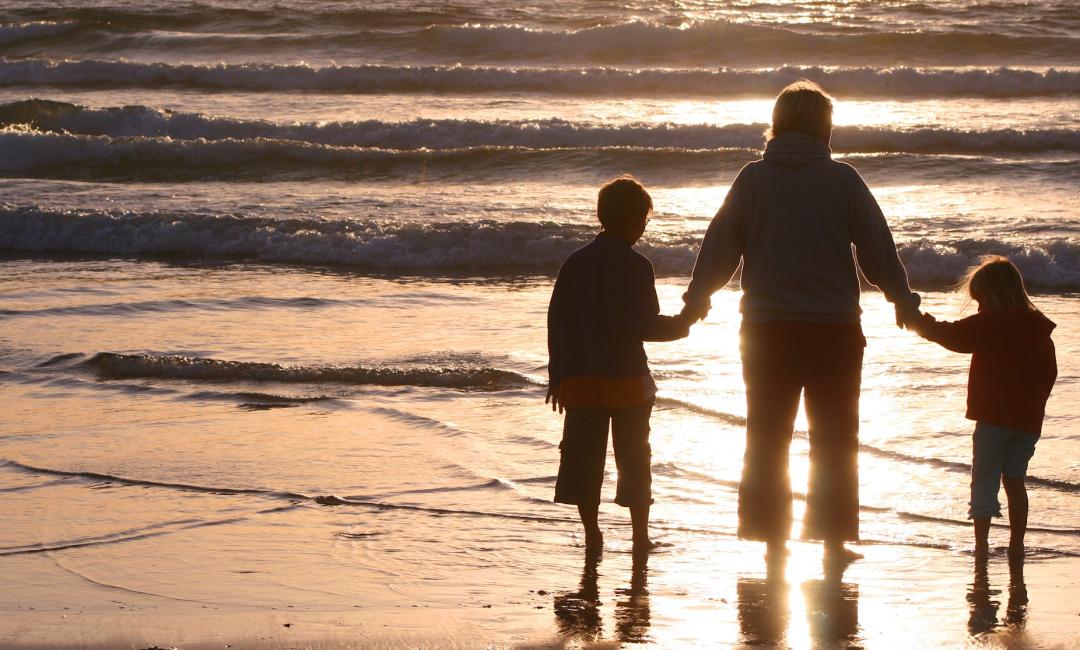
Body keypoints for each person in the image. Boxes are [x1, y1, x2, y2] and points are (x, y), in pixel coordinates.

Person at [680, 80, 921, 565]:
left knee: (767, 435)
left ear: (779, 123)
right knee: (835, 437)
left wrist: (696, 299)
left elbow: (720, 246)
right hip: (833, 329)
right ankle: (833, 541)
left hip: (767, 330)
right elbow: (877, 248)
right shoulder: (842, 180)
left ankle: (772, 540)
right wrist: (902, 299)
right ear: (823, 127)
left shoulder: (752, 179)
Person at [547, 175, 692, 556]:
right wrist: (685, 322)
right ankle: (640, 537)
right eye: (645, 218)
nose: (645, 225)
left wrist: (556, 375)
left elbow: (556, 320)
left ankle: (593, 534)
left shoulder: (575, 262)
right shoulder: (637, 266)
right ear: (633, 221)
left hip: (578, 376)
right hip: (626, 376)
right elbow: (645, 326)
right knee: (634, 459)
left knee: (582, 458)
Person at [910, 256, 1057, 564]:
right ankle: (1017, 543)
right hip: (1027, 421)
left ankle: (981, 545)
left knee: (985, 480)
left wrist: (919, 322)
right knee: (1015, 480)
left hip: (992, 418)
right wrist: (1035, 404)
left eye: (980, 300)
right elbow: (1049, 373)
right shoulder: (1038, 327)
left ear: (993, 295)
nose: (979, 308)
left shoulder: (993, 322)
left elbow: (952, 335)